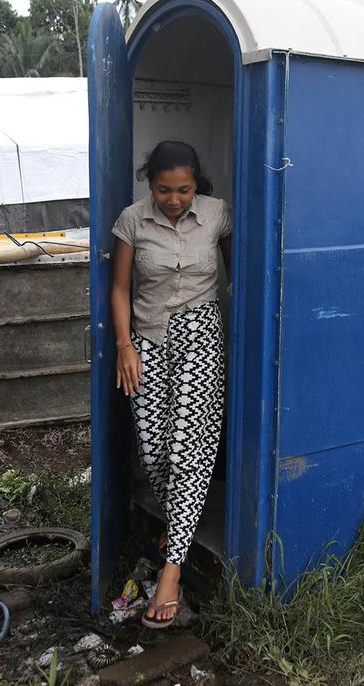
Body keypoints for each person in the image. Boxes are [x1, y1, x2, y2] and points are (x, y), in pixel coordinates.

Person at [110, 141, 231, 629]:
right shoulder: (132, 221)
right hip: (148, 338)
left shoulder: (218, 215)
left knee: (188, 449)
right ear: (150, 183)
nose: (175, 199)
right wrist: (125, 346)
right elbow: (120, 287)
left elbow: (239, 274)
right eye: (164, 190)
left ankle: (172, 569)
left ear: (196, 184)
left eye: (184, 190)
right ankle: (181, 525)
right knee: (154, 449)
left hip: (200, 336)